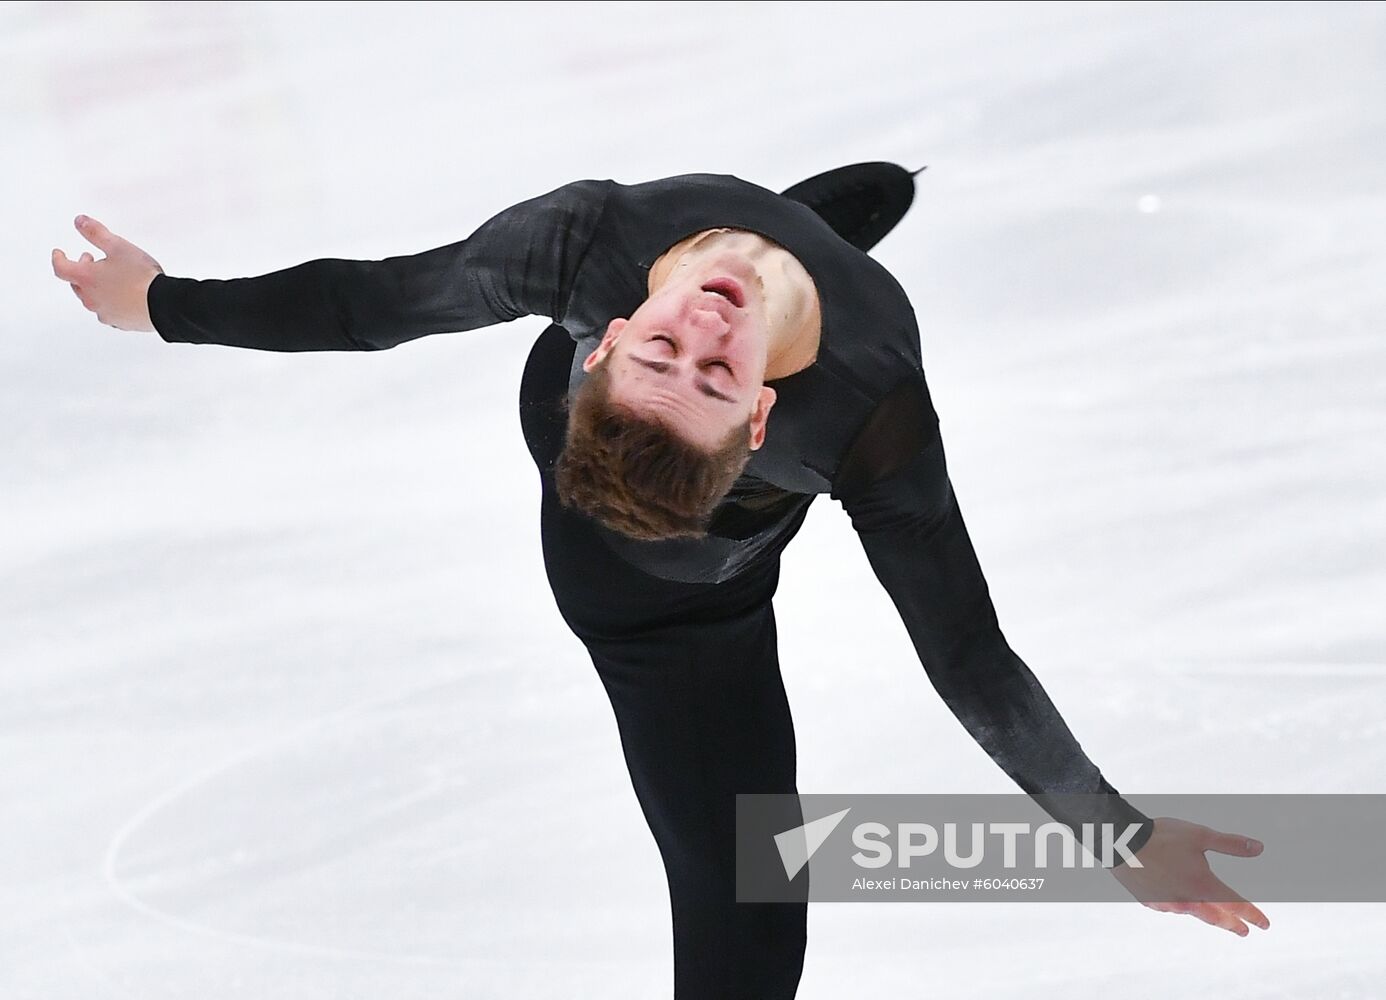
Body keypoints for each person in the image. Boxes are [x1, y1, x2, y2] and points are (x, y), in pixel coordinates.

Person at [52, 162, 1269, 999]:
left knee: (760, 273)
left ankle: (803, 232)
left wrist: (164, 304)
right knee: (751, 868)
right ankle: (806, 238)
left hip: (643, 446)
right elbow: (374, 303)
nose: (702, 329)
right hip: (663, 611)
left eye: (683, 353)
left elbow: (378, 299)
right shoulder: (821, 386)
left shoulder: (632, 275)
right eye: (699, 358)